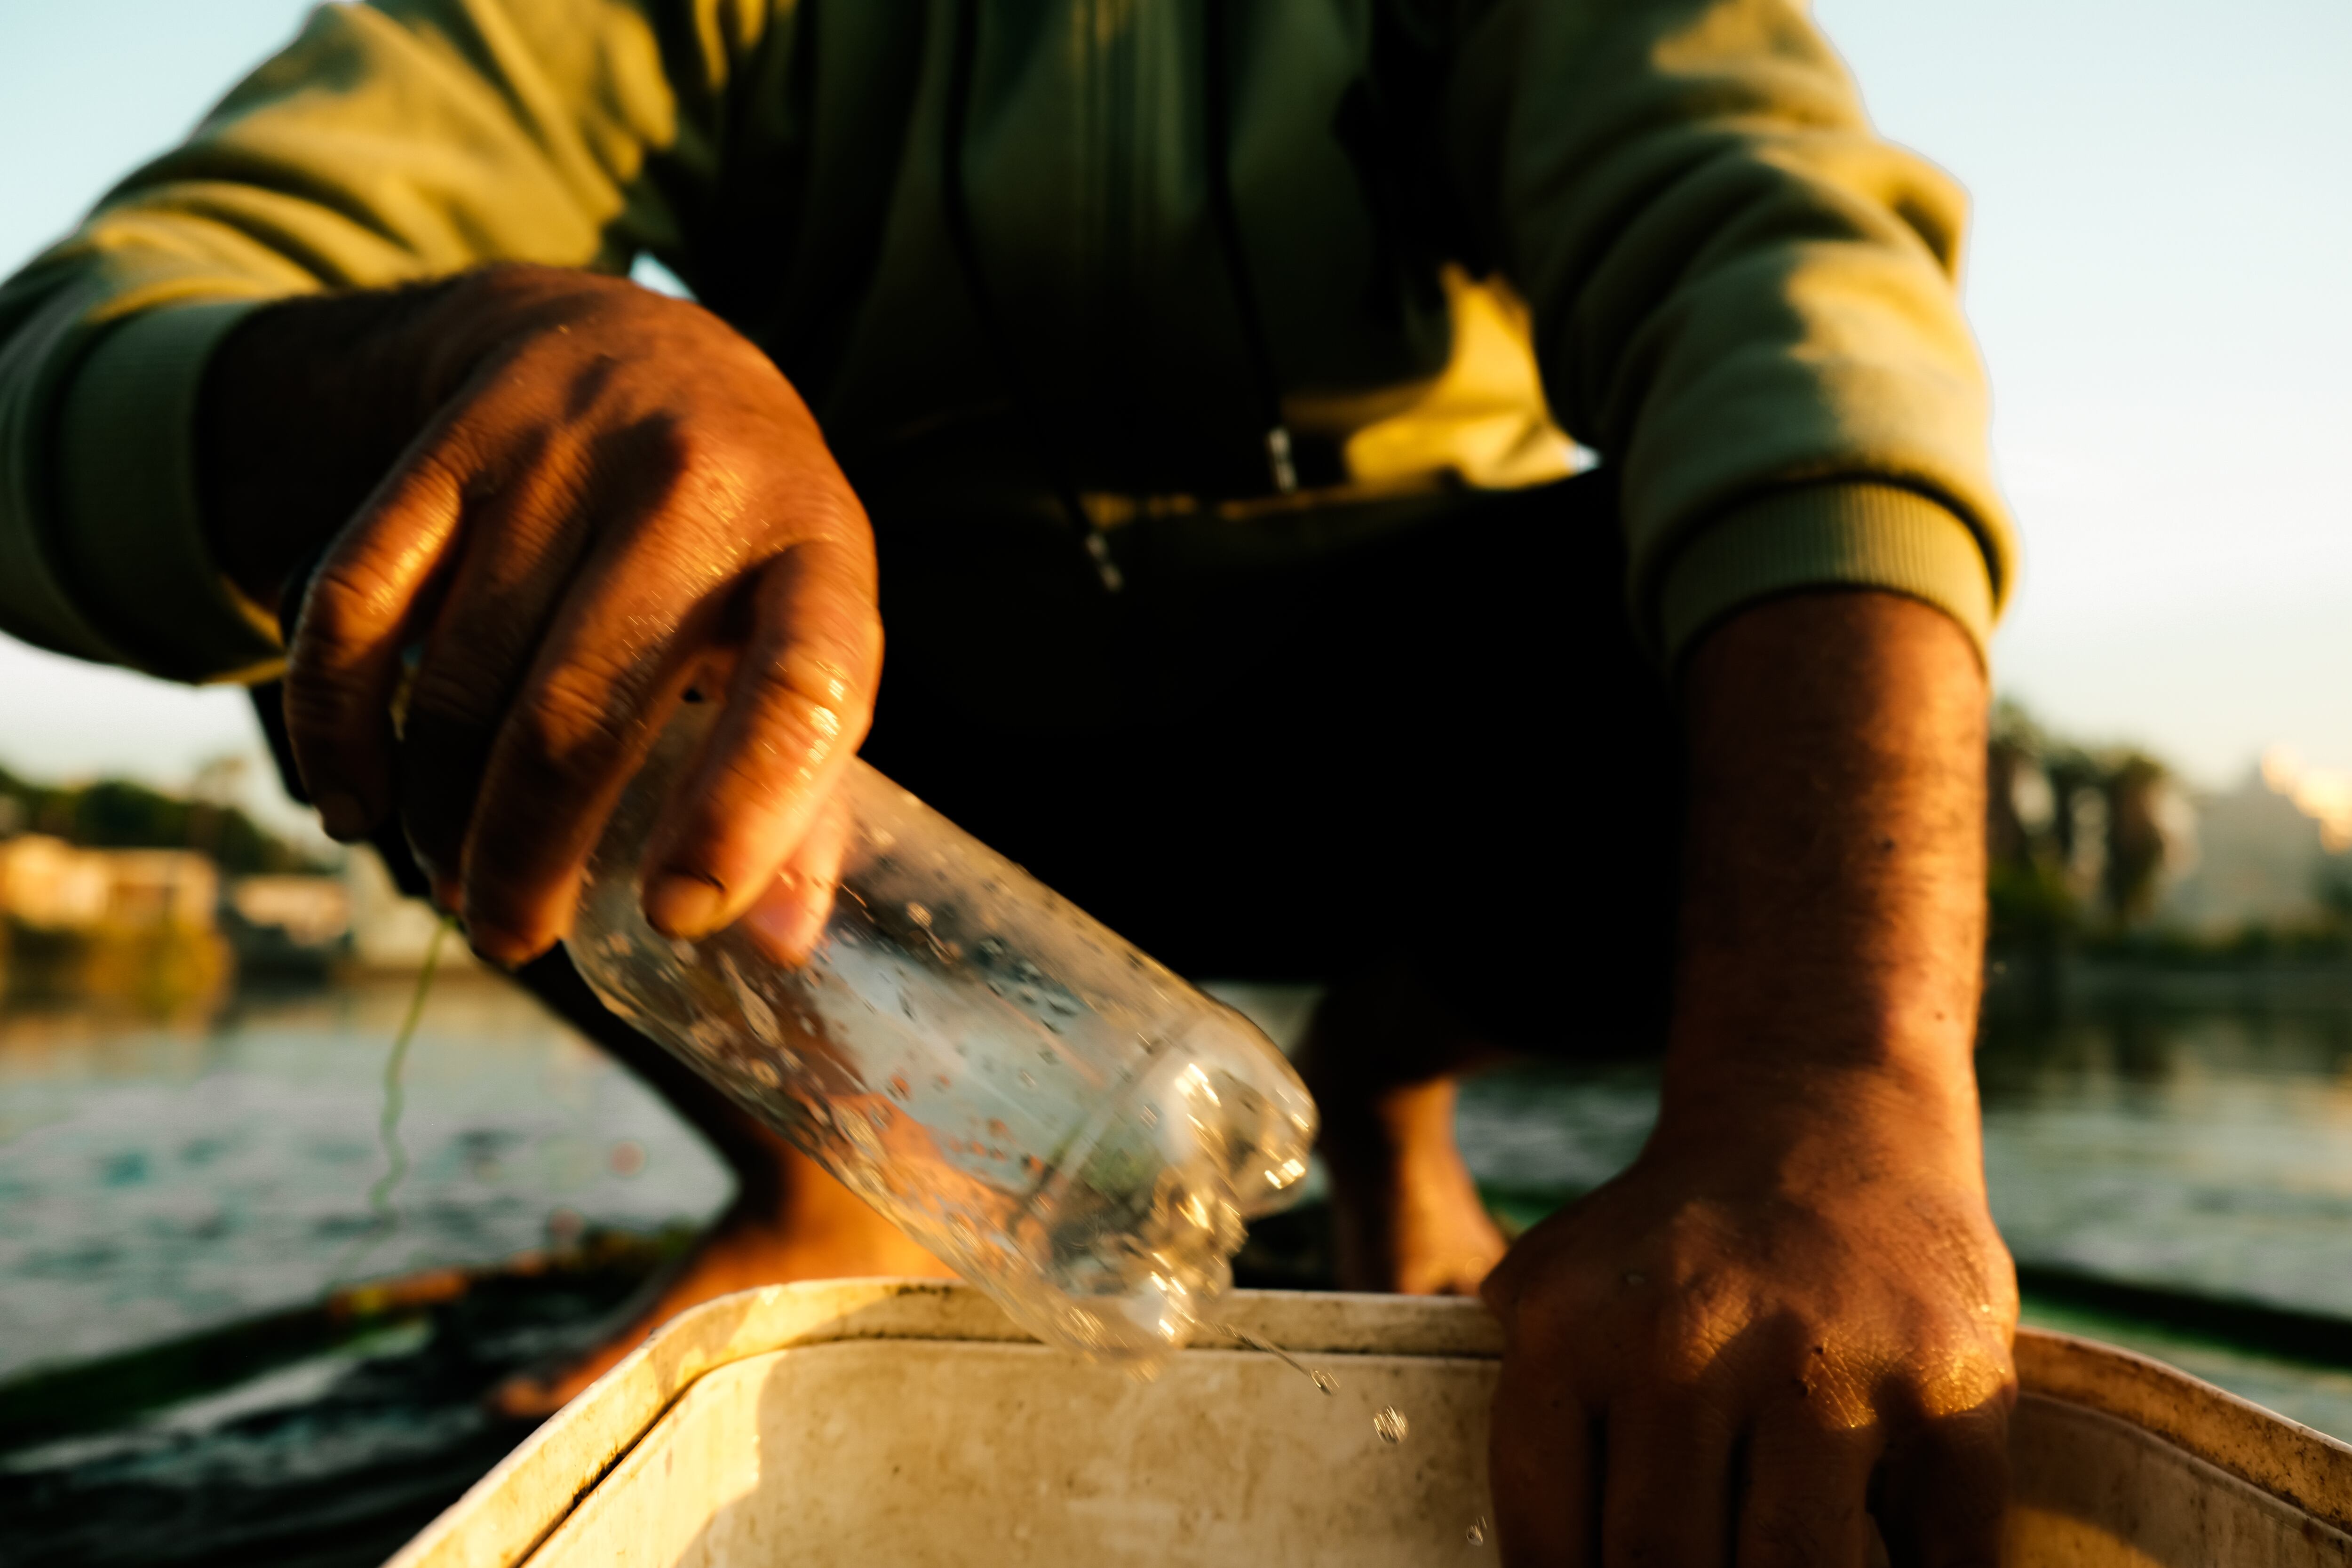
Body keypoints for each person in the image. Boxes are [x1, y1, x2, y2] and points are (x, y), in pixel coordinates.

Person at [0, 0, 2020, 1559]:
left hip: (1401, 736)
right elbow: (80, 342)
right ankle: (825, 1173)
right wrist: (429, 366)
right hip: (875, 754)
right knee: (412, 548)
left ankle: (1393, 1080)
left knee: (1739, 615)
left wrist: (1829, 1074)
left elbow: (1781, 282)